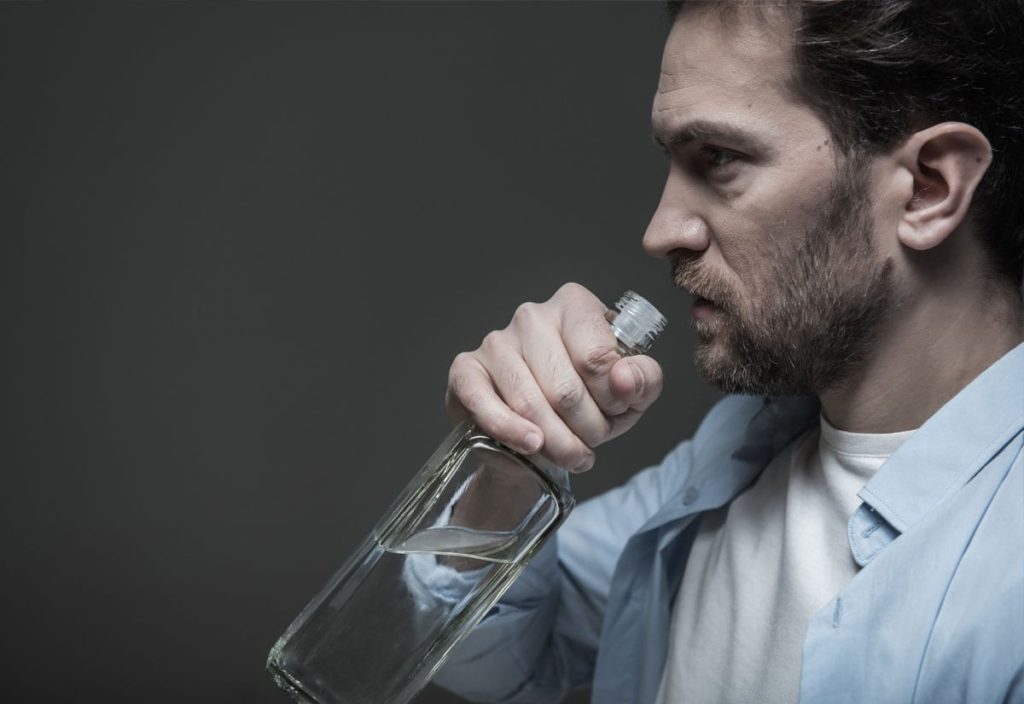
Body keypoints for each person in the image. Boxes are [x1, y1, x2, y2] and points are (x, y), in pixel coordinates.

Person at [431, 1, 1024, 702]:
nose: (661, 231)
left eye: (720, 158)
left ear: (929, 188)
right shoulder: (733, 459)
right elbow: (479, 660)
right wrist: (507, 467)